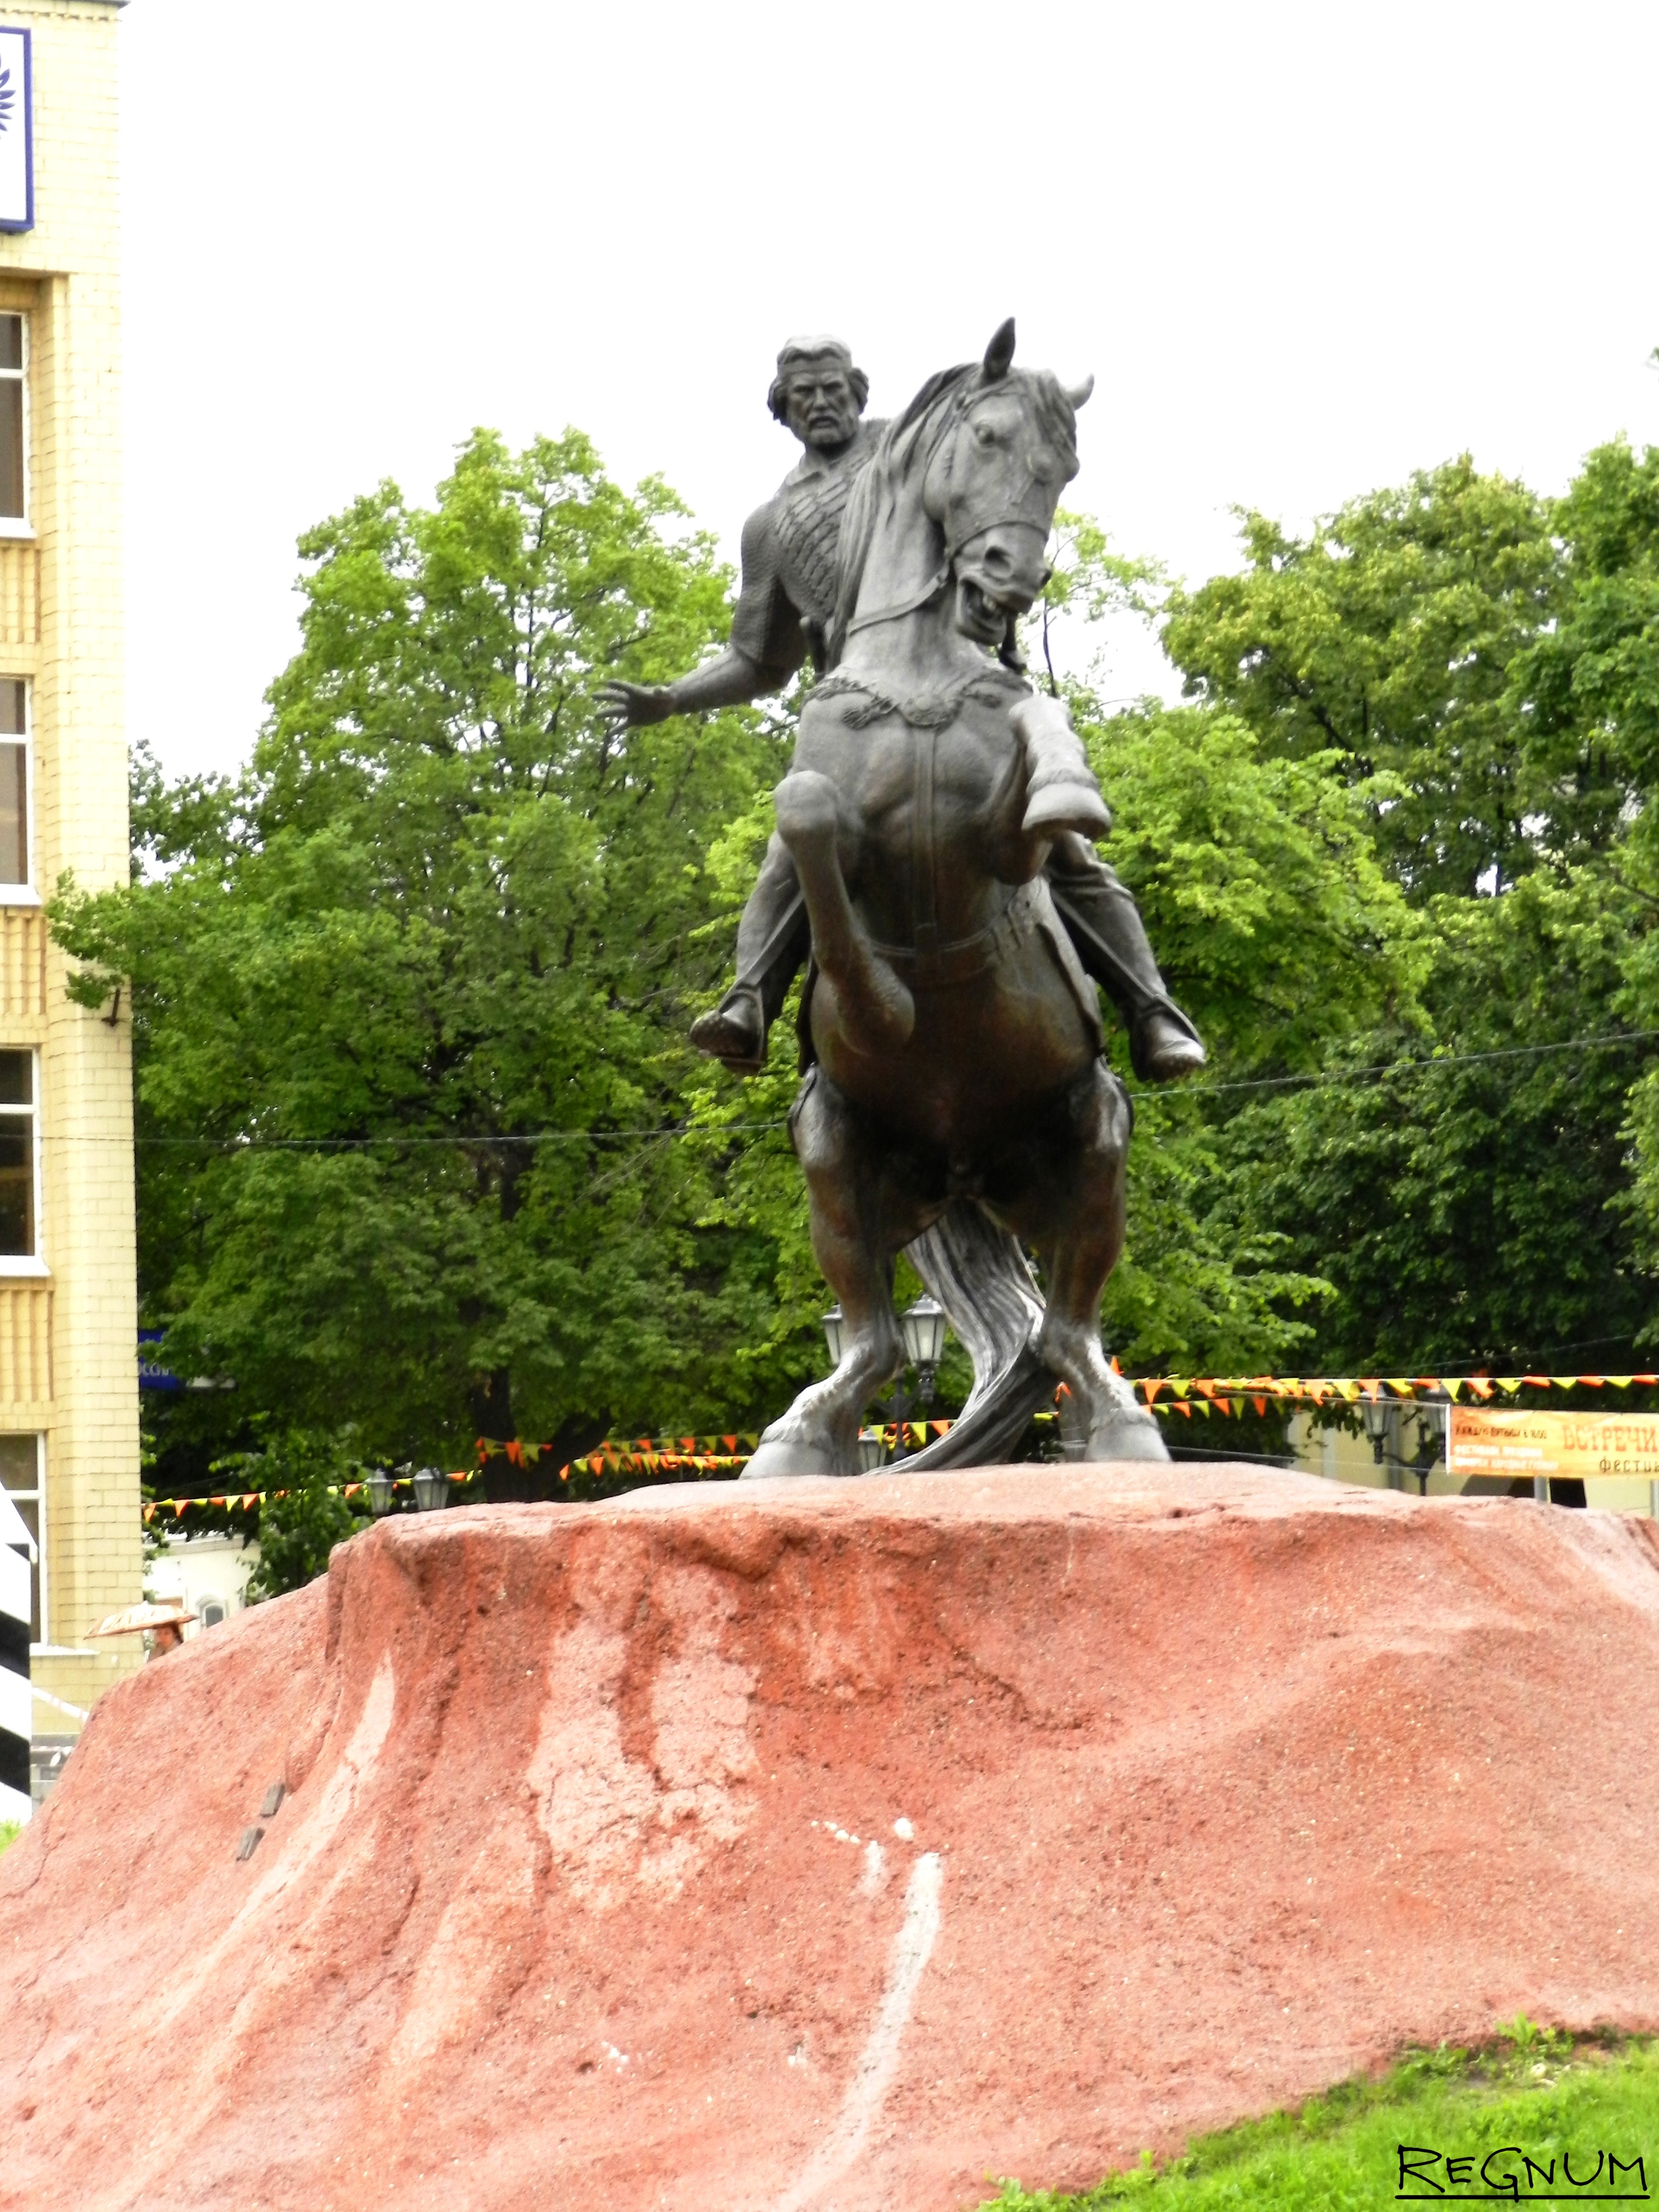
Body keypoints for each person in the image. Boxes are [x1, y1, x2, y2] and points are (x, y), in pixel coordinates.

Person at [599, 336, 1205, 1082]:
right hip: (852, 702)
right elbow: (759, 659)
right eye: (802, 395)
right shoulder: (771, 524)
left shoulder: (908, 445)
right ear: (782, 413)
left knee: (1067, 848)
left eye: (832, 388)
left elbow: (989, 464)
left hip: (961, 668)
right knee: (792, 841)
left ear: (858, 392)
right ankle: (750, 997)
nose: (820, 403)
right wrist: (672, 698)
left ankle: (1151, 1007)